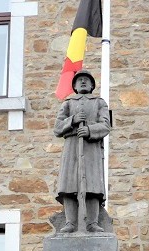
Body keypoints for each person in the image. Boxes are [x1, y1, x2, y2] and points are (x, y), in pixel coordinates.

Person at [54, 70, 111, 233]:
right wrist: (72, 120)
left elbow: (106, 125)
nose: (83, 82)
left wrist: (89, 130)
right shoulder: (68, 103)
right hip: (72, 147)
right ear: (74, 86)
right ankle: (70, 222)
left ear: (92, 85)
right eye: (80, 80)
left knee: (93, 184)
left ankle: (92, 223)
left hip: (91, 149)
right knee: (69, 183)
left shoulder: (99, 103)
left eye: (86, 80)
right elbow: (57, 128)